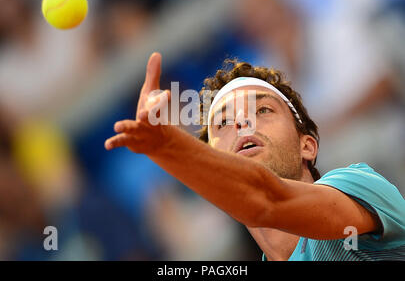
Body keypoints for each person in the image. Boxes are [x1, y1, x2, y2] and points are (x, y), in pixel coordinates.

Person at [105, 52, 405, 261]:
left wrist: (167, 147)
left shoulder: (358, 185)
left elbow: (265, 200)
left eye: (262, 110)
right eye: (222, 123)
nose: (242, 124)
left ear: (307, 146)